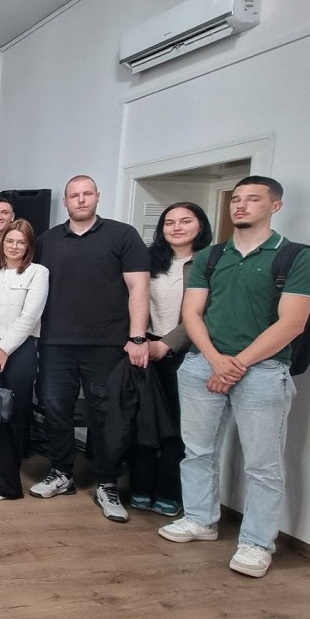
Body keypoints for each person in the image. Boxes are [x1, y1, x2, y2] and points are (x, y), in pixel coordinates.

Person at [159, 177, 310, 579]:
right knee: (197, 451)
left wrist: (237, 364)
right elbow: (192, 314)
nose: (241, 206)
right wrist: (216, 360)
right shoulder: (211, 257)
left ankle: (257, 543)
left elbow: (292, 323)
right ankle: (200, 519)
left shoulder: (296, 257)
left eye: (253, 199)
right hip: (202, 364)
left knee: (263, 465)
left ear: (275, 206)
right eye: (237, 199)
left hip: (263, 371)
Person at [31, 175, 150, 524]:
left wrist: (138, 337)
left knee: (108, 415)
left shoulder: (123, 235)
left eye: (87, 194)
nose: (81, 200)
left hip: (107, 343)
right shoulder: (47, 241)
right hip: (55, 342)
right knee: (55, 410)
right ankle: (61, 473)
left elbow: (139, 287)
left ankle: (107, 483)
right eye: (74, 195)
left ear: (97, 196)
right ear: (66, 201)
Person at [129, 202, 213, 516]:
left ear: (200, 226)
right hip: (144, 349)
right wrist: (141, 340)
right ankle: (139, 487)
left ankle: (169, 491)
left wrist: (166, 344)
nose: (176, 227)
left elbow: (204, 313)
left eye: (185, 221)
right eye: (169, 222)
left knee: (179, 427)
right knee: (145, 422)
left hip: (186, 353)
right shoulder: (147, 260)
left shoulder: (211, 262)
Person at [0, 220, 49, 500]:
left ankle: (8, 485)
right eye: (10, 241)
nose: (14, 247)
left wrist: (3, 350)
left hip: (18, 350)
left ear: (29, 246)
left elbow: (30, 316)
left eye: (21, 242)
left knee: (12, 417)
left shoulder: (38, 273)